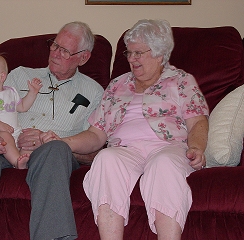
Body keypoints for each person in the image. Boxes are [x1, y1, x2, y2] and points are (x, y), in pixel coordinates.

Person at [41, 19, 209, 240]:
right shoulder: (118, 85)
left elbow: (197, 121)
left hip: (167, 147)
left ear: (160, 54)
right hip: (126, 149)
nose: (132, 59)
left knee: (164, 165)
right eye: (129, 53)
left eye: (138, 53)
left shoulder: (181, 82)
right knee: (106, 159)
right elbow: (96, 134)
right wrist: (63, 141)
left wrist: (196, 147)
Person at [0, 21, 104, 240]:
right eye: (54, 45)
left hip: (51, 154)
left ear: (84, 57)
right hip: (5, 145)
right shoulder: (18, 75)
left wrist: (55, 141)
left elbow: (96, 148)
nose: (55, 53)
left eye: (65, 50)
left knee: (55, 150)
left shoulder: (95, 93)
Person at [0, 53, 42, 169]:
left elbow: (23, 107)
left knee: (28, 140)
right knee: (5, 136)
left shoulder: (11, 92)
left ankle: (22, 159)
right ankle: (16, 162)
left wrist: (32, 93)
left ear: (2, 77)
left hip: (16, 135)